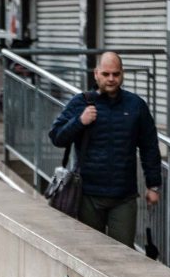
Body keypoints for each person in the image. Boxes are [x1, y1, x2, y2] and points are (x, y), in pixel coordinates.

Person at [49, 52, 162, 248]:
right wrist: (80, 121)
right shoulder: (80, 103)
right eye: (106, 74)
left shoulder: (136, 105)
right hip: (88, 195)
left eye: (116, 74)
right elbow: (56, 137)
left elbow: (149, 147)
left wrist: (153, 186)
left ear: (123, 74)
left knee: (123, 255)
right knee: (92, 254)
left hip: (124, 196)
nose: (111, 79)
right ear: (96, 74)